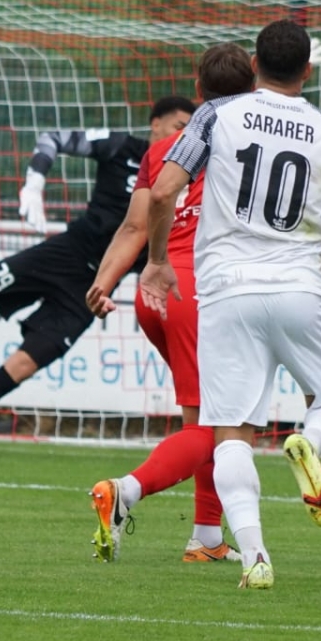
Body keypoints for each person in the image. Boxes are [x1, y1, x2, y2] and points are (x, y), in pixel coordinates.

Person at [139, 19, 321, 591]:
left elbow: (166, 188)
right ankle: (309, 443)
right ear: (308, 72)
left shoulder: (217, 115)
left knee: (231, 433)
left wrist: (157, 260)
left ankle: (254, 557)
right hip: (298, 285)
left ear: (253, 64)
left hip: (227, 290)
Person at [0, 98, 197, 457]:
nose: (184, 135)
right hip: (61, 255)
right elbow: (54, 137)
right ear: (155, 124)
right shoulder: (123, 147)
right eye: (178, 126)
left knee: (24, 364)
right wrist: (35, 182)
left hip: (91, 289)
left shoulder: (187, 176)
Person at [83, 42, 256, 563]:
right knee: (223, 425)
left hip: (155, 292)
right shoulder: (253, 142)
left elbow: (137, 224)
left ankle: (205, 537)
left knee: (203, 415)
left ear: (198, 91)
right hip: (203, 291)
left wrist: (106, 279)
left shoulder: (165, 148)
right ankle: (125, 490)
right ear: (252, 90)